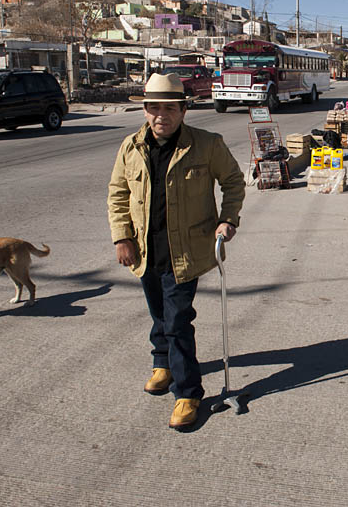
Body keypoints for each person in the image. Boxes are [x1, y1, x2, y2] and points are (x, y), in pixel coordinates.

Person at [107, 73, 246, 430]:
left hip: (186, 250)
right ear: (145, 110)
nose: (161, 116)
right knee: (159, 313)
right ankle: (163, 364)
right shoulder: (131, 147)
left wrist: (228, 219)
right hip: (144, 249)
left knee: (178, 320)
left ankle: (188, 393)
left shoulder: (207, 144)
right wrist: (122, 237)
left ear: (184, 110)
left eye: (169, 108)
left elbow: (233, 180)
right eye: (154, 108)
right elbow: (118, 193)